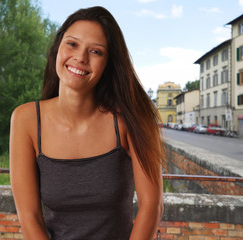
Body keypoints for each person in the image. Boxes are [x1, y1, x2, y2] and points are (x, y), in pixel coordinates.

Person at [10, 6, 165, 240]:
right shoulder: (26, 120)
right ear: (57, 48)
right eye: (72, 44)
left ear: (108, 63)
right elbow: (29, 216)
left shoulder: (132, 119)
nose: (80, 57)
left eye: (96, 51)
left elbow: (151, 207)